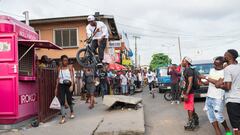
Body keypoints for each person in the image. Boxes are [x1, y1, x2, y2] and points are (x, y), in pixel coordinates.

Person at [201, 56, 230, 135]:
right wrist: (202, 81)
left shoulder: (226, 72)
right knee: (210, 115)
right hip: (209, 96)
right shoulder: (212, 70)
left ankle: (226, 128)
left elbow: (218, 83)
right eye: (214, 64)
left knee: (218, 116)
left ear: (223, 64)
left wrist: (206, 77)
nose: (215, 67)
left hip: (218, 97)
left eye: (217, 65)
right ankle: (218, 131)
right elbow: (209, 82)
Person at [215, 49, 240, 135]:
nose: (224, 56)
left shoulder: (228, 69)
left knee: (236, 127)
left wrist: (219, 86)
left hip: (233, 100)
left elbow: (228, 87)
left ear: (229, 56)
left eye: (225, 54)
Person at [55, 55, 75, 124]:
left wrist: (72, 85)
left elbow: (72, 77)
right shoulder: (59, 68)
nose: (65, 62)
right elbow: (58, 78)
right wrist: (56, 88)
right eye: (64, 60)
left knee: (69, 100)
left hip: (68, 85)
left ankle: (72, 111)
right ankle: (63, 117)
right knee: (62, 101)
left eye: (66, 60)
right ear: (61, 61)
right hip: (61, 85)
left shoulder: (70, 67)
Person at [181, 56, 199, 130]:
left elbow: (190, 83)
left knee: (189, 107)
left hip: (189, 91)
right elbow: (185, 82)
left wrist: (187, 94)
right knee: (190, 106)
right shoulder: (186, 69)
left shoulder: (189, 70)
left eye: (183, 61)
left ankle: (191, 122)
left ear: (187, 62)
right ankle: (195, 118)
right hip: (187, 90)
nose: (182, 62)